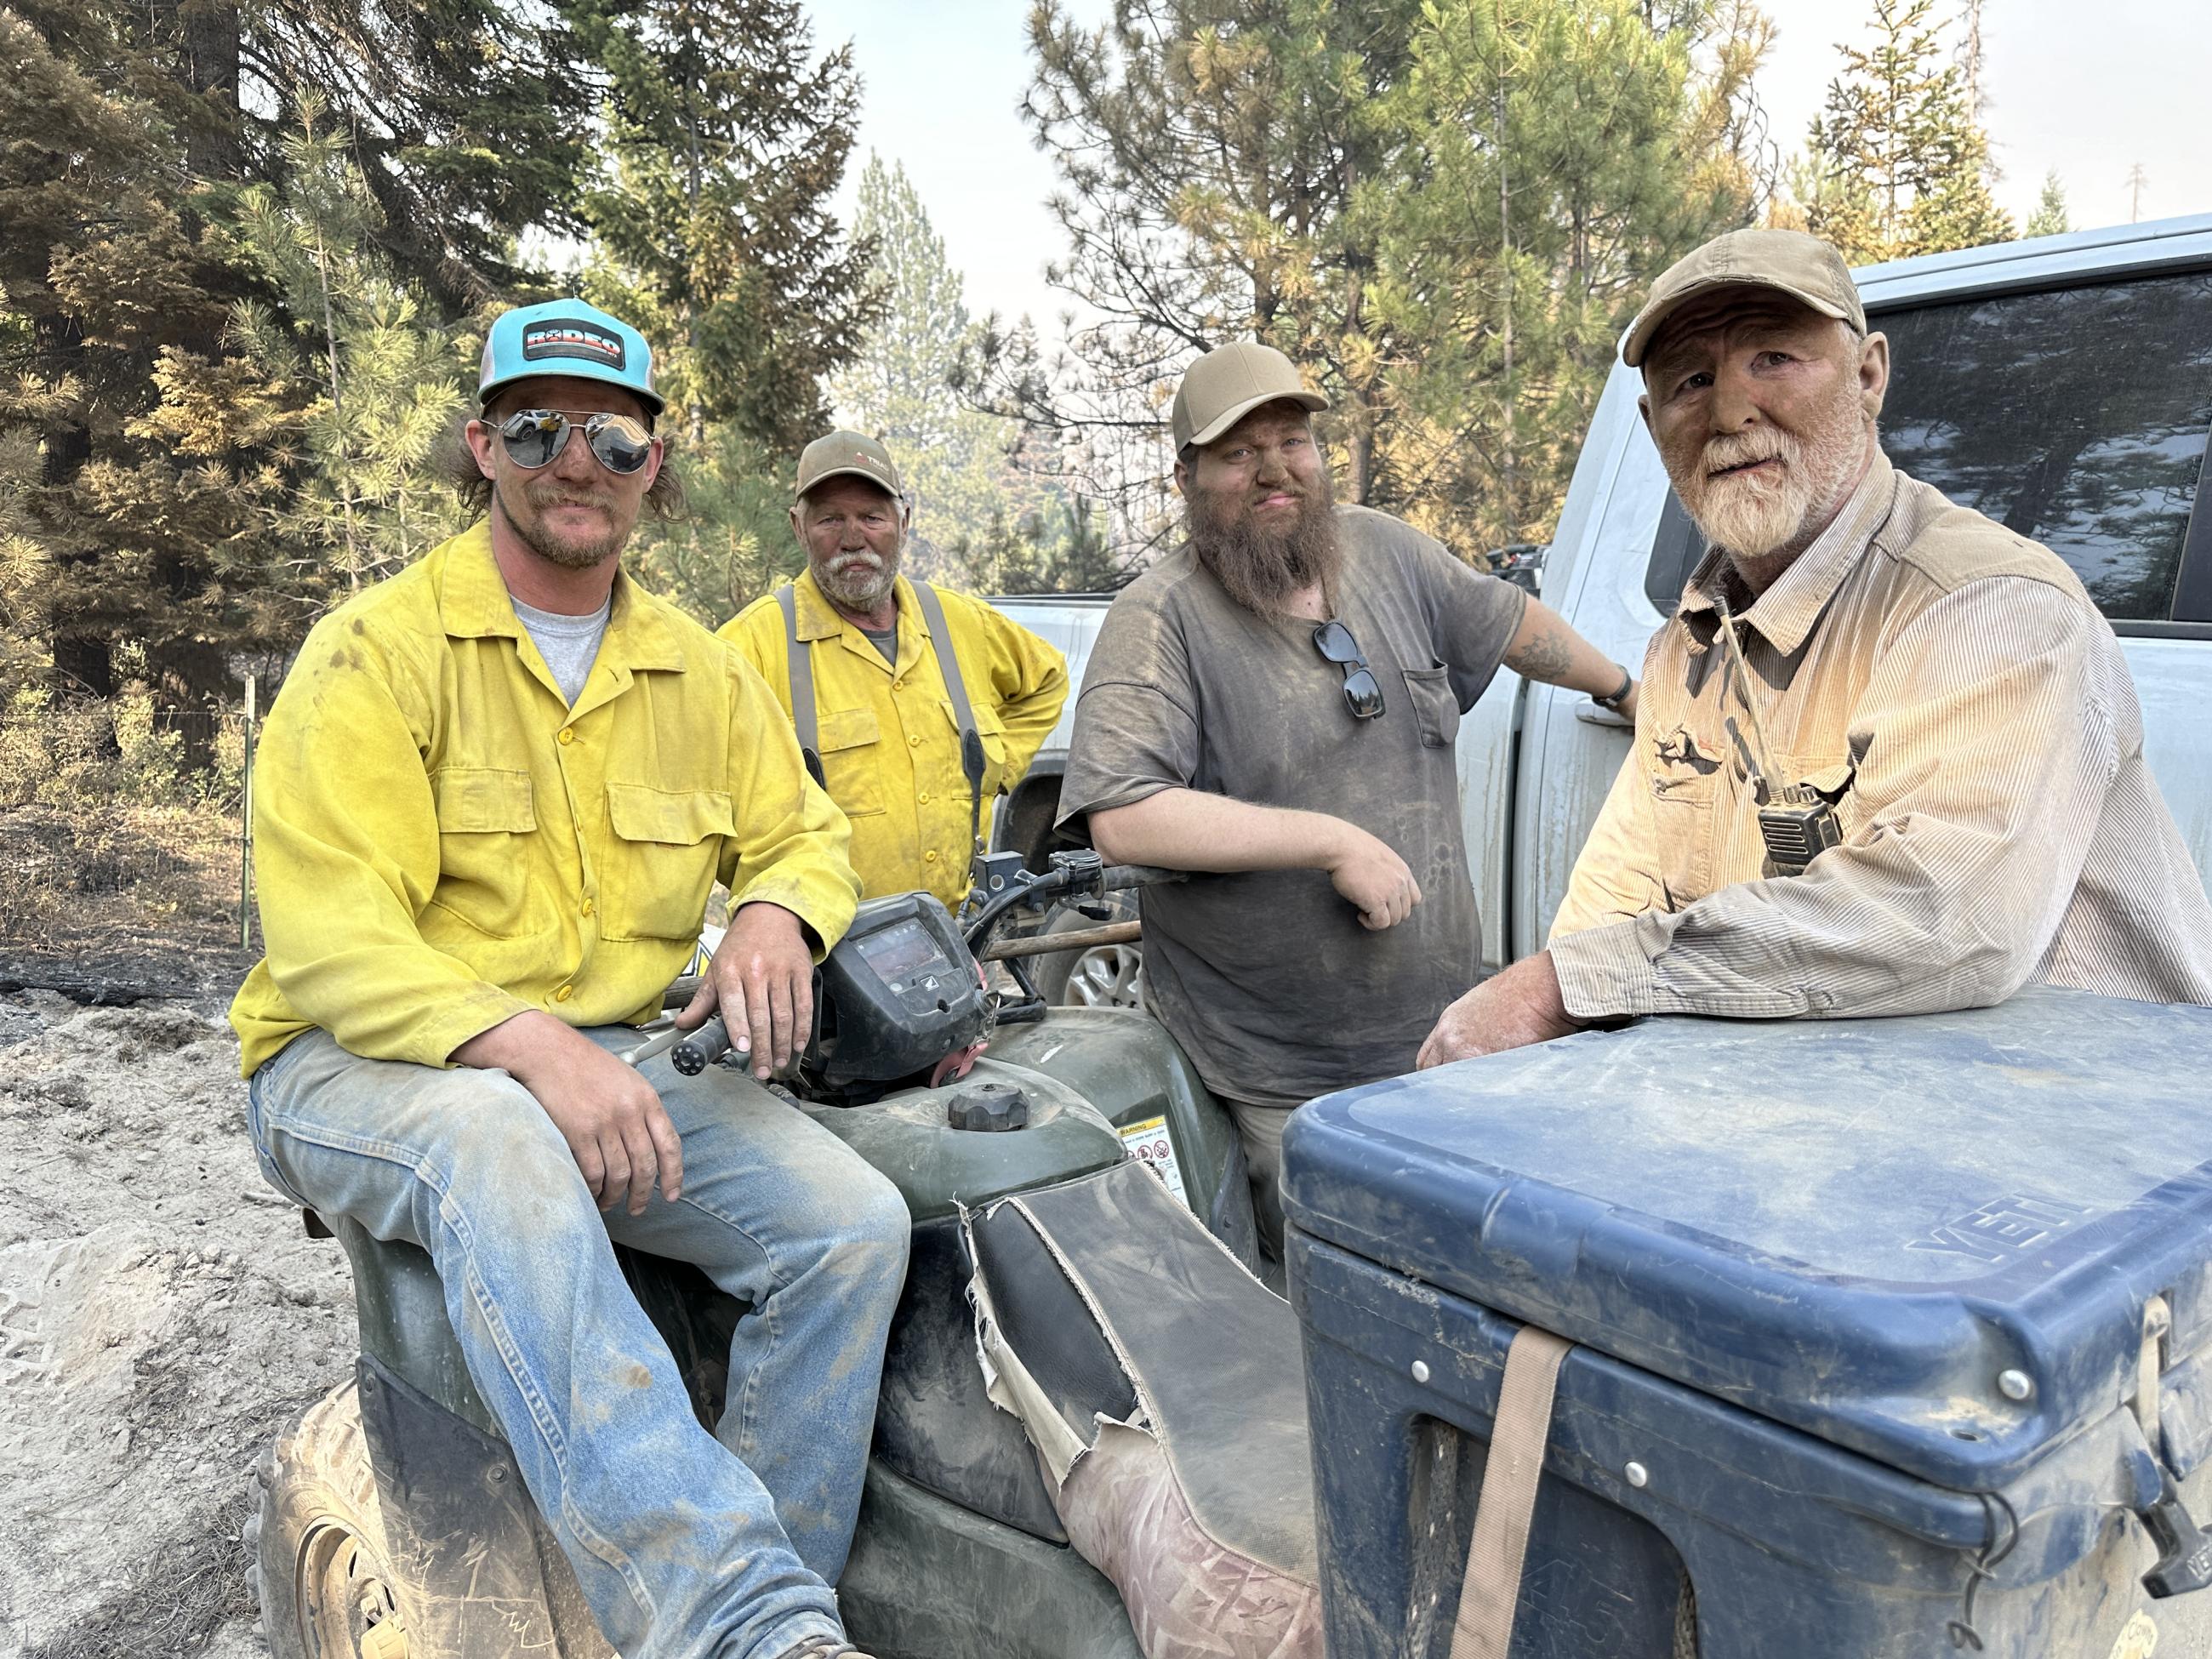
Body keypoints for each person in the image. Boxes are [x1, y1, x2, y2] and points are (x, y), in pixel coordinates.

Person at [229, 299, 907, 1659]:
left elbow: (800, 832)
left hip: (614, 1047)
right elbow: (333, 932)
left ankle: (768, 1597)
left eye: (612, 435)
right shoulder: (377, 650)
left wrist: (780, 911)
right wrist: (530, 1046)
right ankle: (740, 1624)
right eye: (536, 428)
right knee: (497, 1140)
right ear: (483, 447)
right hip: (355, 1060)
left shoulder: (699, 671)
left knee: (853, 1221)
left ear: (654, 463)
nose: (575, 460)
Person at [1419, 228, 2212, 1068]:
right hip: (1845, 1116)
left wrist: (1560, 987)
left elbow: (1945, 918)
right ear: (1653, 426)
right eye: (1692, 381)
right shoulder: (1682, 652)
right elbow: (1614, 902)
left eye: (1773, 358)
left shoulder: (1986, 605)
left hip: (2096, 1132)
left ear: (1868, 375)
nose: (1729, 412)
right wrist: (1552, 1037)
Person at [1056, 340, 1641, 1258]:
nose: (1273, 469)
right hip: (1284, 1078)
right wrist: (1329, 840)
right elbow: (1124, 815)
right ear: (1187, 477)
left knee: (1458, 1284)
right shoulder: (1159, 618)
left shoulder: (1386, 553)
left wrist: (1622, 690)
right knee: (1328, 1317)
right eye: (1238, 453)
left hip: (1440, 1041)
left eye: (1291, 441)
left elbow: (1508, 622)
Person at [721, 431, 1068, 912]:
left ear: (903, 522)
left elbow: (1048, 679)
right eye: (830, 519)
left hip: (963, 935)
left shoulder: (961, 622)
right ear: (799, 529)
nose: (853, 538)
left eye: (871, 517)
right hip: (829, 952)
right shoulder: (747, 648)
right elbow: (710, 798)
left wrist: (1000, 767)